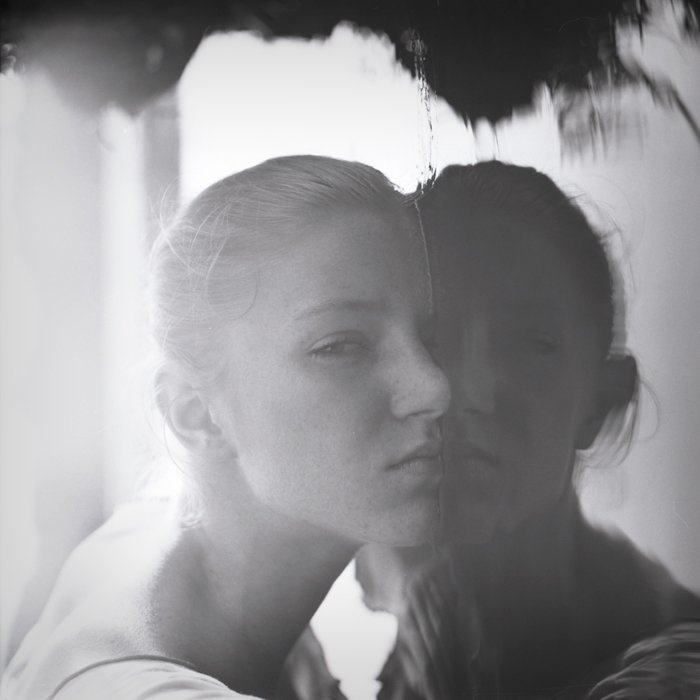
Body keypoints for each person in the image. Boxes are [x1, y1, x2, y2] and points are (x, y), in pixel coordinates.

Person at [1, 155, 451, 700]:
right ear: (195, 415)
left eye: (432, 337)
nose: (435, 388)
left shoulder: (140, 543)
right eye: (341, 347)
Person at [356, 161, 700, 699]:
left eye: (528, 343)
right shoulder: (424, 614)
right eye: (435, 338)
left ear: (601, 400)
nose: (469, 393)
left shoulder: (669, 672)